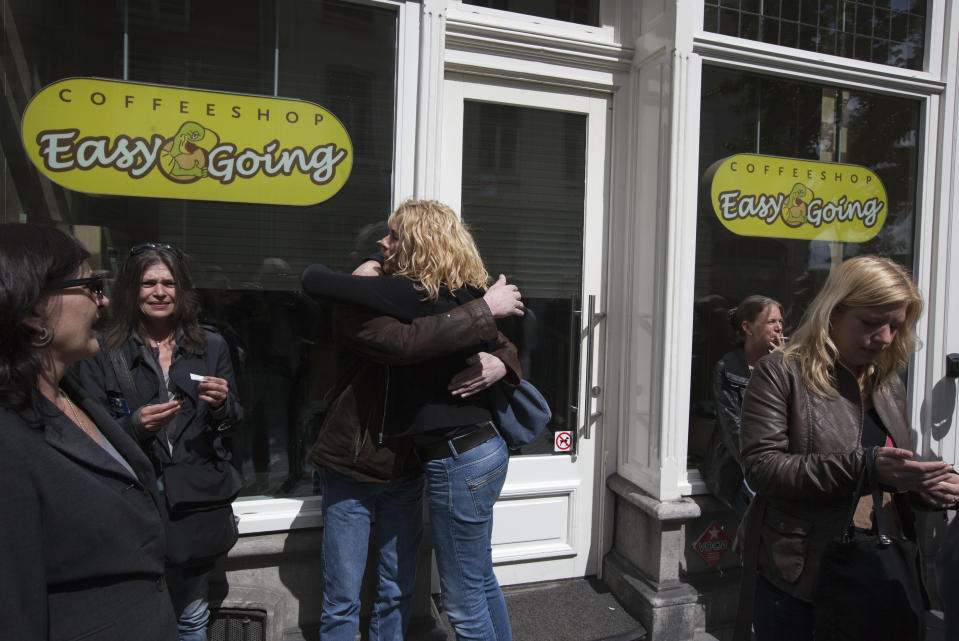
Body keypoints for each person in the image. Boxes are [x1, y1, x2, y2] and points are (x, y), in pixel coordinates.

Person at [302, 198, 525, 641]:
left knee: (425, 592)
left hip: (420, 462)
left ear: (419, 243)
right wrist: (484, 310)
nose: (384, 245)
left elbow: (497, 341)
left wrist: (502, 361)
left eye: (392, 237)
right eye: (380, 240)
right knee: (347, 597)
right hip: (356, 460)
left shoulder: (438, 296)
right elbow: (404, 343)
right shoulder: (375, 298)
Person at [735, 255, 959, 641]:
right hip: (804, 575)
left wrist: (927, 489)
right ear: (832, 312)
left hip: (878, 570)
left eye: (895, 325)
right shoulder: (781, 372)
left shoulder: (887, 382)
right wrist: (866, 466)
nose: (885, 337)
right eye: (870, 323)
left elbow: (890, 473)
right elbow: (762, 467)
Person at [0, 223, 177, 640]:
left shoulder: (74, 397)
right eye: (90, 285)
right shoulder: (8, 438)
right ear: (32, 310)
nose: (103, 300)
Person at [76, 243, 243, 641]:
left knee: (191, 615)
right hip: (134, 505)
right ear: (131, 290)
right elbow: (87, 431)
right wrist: (133, 426)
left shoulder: (211, 346)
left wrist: (221, 407)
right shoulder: (103, 350)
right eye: (149, 283)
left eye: (169, 283)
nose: (160, 292)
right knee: (136, 621)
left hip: (193, 505)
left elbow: (235, 420)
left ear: (182, 290)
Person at [701, 295, 783, 514]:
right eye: (771, 322)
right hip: (741, 467)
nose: (778, 328)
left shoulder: (784, 364)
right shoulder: (728, 368)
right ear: (748, 327)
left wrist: (783, 364)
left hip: (779, 464)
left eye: (780, 322)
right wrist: (759, 468)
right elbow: (732, 427)